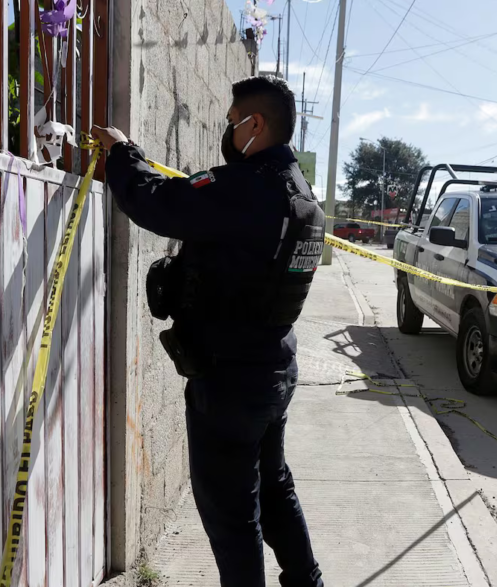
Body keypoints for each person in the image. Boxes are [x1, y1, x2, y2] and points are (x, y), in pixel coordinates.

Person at [92, 75, 325, 586]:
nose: (227, 129)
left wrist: (122, 154)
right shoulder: (303, 195)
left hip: (229, 383)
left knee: (231, 515)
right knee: (274, 487)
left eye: (231, 121)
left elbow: (158, 203)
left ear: (255, 124)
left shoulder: (246, 188)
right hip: (273, 371)